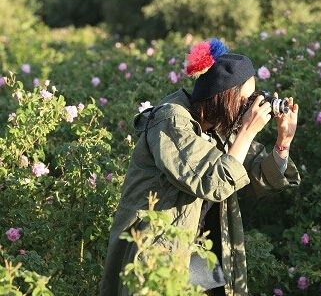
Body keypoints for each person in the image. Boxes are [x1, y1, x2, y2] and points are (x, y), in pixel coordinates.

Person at [99, 38, 301, 296]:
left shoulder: (218, 125)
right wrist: (247, 132)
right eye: (245, 99)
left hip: (200, 253)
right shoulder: (172, 123)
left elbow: (260, 173)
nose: (251, 105)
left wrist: (283, 142)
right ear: (223, 99)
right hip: (159, 251)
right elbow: (213, 182)